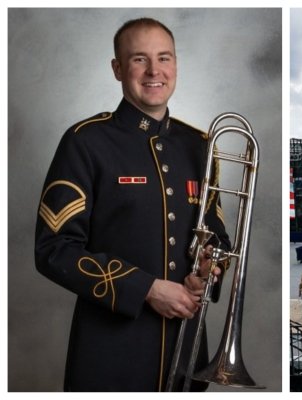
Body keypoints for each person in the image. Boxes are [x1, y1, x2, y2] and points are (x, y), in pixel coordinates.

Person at [33, 18, 233, 391]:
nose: (155, 71)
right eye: (140, 59)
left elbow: (217, 235)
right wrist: (146, 289)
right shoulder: (86, 142)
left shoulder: (201, 145)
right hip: (110, 353)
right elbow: (54, 249)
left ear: (176, 65)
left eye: (164, 58)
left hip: (186, 351)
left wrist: (208, 268)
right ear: (118, 69)